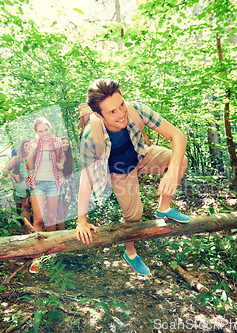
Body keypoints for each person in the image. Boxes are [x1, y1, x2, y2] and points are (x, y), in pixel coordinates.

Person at [76, 78, 191, 276]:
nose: (121, 114)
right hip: (119, 172)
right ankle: (130, 253)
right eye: (112, 112)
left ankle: (163, 208)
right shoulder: (90, 137)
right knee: (134, 216)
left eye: (121, 105)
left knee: (179, 160)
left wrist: (171, 172)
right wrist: (81, 220)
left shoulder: (136, 109)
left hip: (140, 156)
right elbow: (86, 178)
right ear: (98, 115)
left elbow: (178, 136)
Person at [26, 117, 66, 233]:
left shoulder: (57, 142)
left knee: (51, 219)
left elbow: (62, 157)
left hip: (53, 182)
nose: (44, 133)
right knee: (39, 219)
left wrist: (61, 164)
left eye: (45, 130)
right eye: (40, 131)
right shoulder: (33, 144)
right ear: (36, 132)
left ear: (50, 128)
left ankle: (50, 249)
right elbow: (29, 167)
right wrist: (31, 152)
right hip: (37, 183)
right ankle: (36, 247)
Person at [2, 139, 33, 233]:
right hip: (22, 185)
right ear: (22, 147)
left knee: (34, 207)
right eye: (26, 145)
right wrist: (14, 175)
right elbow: (5, 169)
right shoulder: (17, 158)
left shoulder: (35, 157)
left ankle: (36, 227)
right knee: (25, 207)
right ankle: (29, 229)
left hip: (35, 185)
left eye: (29, 145)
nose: (28, 147)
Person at [56, 137, 75, 230]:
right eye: (63, 142)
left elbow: (70, 172)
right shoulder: (55, 157)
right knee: (60, 213)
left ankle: (62, 230)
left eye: (67, 142)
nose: (65, 144)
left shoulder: (71, 157)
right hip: (58, 186)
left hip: (68, 185)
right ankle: (61, 232)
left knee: (64, 211)